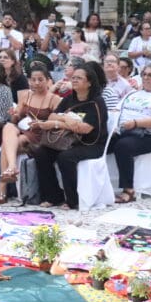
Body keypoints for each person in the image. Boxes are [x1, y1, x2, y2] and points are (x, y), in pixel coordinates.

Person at [30, 65, 108, 209]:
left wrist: (58, 124)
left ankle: (73, 200)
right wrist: (67, 118)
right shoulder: (69, 99)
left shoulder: (97, 102)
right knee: (41, 152)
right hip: (67, 141)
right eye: (74, 78)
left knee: (65, 157)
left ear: (89, 82)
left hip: (91, 144)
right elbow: (53, 115)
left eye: (79, 78)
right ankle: (53, 196)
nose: (75, 80)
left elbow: (85, 129)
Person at [108, 64, 151, 203]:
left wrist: (136, 123)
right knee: (101, 143)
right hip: (124, 131)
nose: (146, 78)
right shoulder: (131, 94)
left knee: (122, 146)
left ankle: (129, 190)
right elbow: (115, 111)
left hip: (147, 137)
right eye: (144, 74)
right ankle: (101, 186)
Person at [0, 63, 62, 199]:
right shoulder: (26, 96)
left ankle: (2, 189)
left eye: (40, 79)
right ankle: (12, 167)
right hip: (26, 131)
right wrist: (14, 114)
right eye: (33, 80)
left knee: (6, 146)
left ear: (48, 80)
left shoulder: (55, 99)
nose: (36, 83)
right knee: (8, 128)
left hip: (42, 135)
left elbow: (58, 122)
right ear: (29, 81)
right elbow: (15, 119)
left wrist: (42, 123)